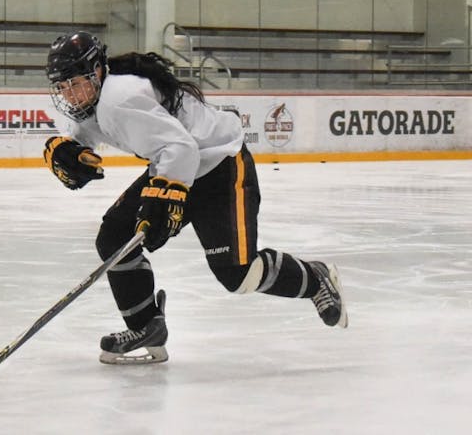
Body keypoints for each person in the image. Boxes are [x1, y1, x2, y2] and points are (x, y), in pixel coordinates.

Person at [42, 32, 347, 365]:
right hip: (177, 165)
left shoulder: (119, 99)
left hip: (221, 166)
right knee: (115, 236)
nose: (70, 94)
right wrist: (71, 148)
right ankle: (146, 327)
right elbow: (86, 129)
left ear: (97, 71)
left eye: (76, 83)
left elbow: (182, 148)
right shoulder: (95, 100)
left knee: (238, 275)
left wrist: (165, 197)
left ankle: (316, 278)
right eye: (63, 87)